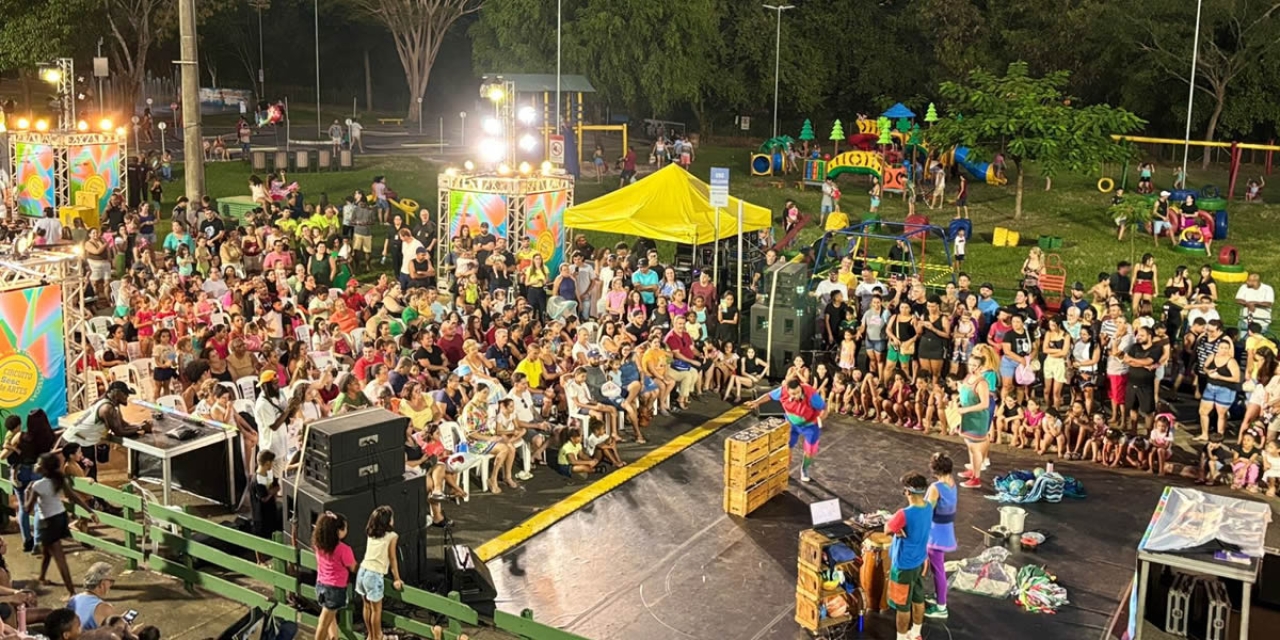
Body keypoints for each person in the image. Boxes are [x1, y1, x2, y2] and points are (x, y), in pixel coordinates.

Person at [26, 453, 98, 597]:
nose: (35, 466)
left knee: (60, 558)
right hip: (61, 518)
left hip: (49, 522)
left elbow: (27, 509)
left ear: (45, 469)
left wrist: (28, 492)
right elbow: (73, 496)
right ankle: (42, 577)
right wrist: (90, 511)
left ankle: (72, 592)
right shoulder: (58, 480)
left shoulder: (37, 486)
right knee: (47, 550)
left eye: (38, 464)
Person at [59, 382, 151, 480]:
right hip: (75, 443)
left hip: (81, 441)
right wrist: (140, 428)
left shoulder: (111, 404)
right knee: (85, 479)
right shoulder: (106, 408)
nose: (127, 396)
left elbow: (123, 424)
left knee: (89, 476)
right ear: (116, 393)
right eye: (125, 394)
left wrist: (141, 425)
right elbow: (119, 432)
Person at [745, 377, 828, 483]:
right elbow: (769, 395)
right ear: (787, 391)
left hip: (810, 426)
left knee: (809, 451)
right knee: (787, 447)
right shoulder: (782, 391)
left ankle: (804, 469)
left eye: (798, 392)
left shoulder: (811, 393)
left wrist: (820, 418)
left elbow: (824, 408)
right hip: (791, 424)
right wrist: (757, 402)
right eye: (793, 394)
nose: (796, 396)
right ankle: (785, 468)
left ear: (800, 387)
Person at [885, 472, 934, 640]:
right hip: (919, 561)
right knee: (918, 599)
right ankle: (916, 633)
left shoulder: (904, 514)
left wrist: (897, 529)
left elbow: (887, 529)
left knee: (902, 607)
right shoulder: (928, 507)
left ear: (907, 492)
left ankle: (901, 637)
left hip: (903, 567)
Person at [357, 507, 403, 640]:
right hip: (374, 575)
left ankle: (370, 635)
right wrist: (397, 578)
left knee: (366, 607)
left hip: (362, 571)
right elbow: (392, 558)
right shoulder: (392, 536)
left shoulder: (370, 534)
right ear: (388, 521)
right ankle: (377, 637)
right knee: (376, 610)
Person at [312, 512, 356, 640]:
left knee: (330, 619)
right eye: (345, 528)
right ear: (338, 531)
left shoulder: (318, 545)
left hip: (321, 585)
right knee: (324, 622)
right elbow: (353, 567)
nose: (346, 530)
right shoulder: (344, 549)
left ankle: (333, 638)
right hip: (335, 589)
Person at [924, 453, 956, 619]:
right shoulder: (952, 483)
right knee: (938, 568)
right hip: (946, 529)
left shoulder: (935, 487)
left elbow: (926, 510)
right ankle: (938, 596)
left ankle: (941, 607)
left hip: (935, 533)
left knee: (938, 570)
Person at [955, 352, 993, 488]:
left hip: (977, 419)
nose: (971, 367)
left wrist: (966, 410)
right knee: (970, 446)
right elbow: (964, 392)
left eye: (975, 365)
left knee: (975, 448)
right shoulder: (968, 377)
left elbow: (984, 404)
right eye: (970, 364)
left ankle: (976, 478)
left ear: (981, 367)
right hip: (967, 417)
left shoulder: (982, 383)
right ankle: (972, 470)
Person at [67, 562, 117, 631]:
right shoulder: (105, 608)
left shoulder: (73, 600)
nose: (111, 585)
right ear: (102, 584)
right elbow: (119, 632)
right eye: (111, 581)